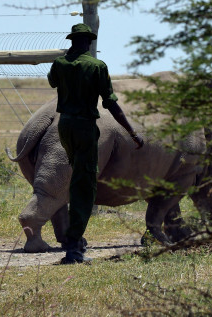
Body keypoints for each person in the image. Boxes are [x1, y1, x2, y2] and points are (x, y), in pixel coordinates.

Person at [47, 23, 145, 265]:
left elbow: (52, 82)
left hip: (65, 126)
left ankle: (74, 239)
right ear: (89, 43)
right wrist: (131, 131)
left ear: (72, 41)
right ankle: (74, 247)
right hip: (85, 127)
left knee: (77, 178)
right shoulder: (97, 66)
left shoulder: (60, 63)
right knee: (85, 184)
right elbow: (109, 103)